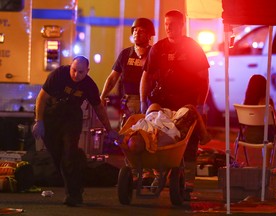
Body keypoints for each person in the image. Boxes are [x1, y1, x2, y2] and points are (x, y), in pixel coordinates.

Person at [139, 10, 210, 200]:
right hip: (162, 101)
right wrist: (142, 102)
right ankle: (157, 176)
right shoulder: (157, 48)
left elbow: (204, 78)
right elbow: (146, 76)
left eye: (173, 24)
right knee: (154, 138)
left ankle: (187, 183)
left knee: (188, 143)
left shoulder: (193, 47)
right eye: (166, 24)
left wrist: (200, 106)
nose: (169, 28)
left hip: (187, 102)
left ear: (181, 25)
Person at [32, 56, 118, 207]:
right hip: (52, 115)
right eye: (73, 70)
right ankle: (78, 174)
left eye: (80, 72)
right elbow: (42, 98)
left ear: (87, 71)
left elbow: (99, 108)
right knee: (59, 157)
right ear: (70, 66)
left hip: (71, 118)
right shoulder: (59, 74)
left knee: (69, 154)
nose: (76, 75)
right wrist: (39, 121)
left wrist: (109, 129)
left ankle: (74, 195)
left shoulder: (89, 85)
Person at [100, 18, 155, 127]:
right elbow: (112, 78)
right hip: (128, 102)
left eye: (141, 31)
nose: (137, 33)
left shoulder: (154, 54)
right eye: (135, 30)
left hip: (149, 103)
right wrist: (102, 97)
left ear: (149, 35)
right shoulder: (125, 54)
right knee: (126, 137)